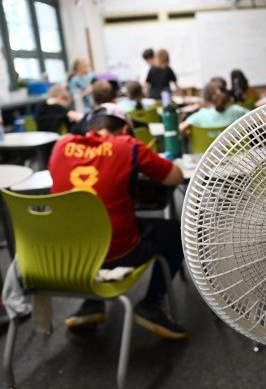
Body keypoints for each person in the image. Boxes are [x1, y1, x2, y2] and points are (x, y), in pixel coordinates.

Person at [48, 103, 187, 339]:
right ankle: (151, 305)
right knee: (177, 232)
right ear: (124, 130)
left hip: (68, 255)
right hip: (117, 253)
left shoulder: (61, 145)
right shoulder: (128, 145)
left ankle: (92, 303)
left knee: (83, 223)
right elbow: (175, 177)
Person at [180, 82, 248, 133]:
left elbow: (179, 129)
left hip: (203, 151)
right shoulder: (237, 110)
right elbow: (257, 117)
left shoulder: (199, 116)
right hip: (238, 151)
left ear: (204, 98)